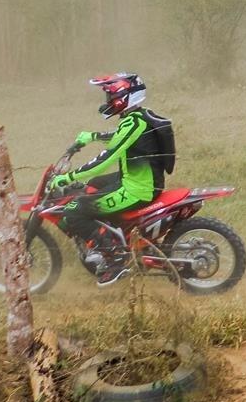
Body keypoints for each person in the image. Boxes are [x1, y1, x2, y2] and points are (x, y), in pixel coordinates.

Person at [48, 73, 175, 285]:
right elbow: (120, 137)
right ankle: (115, 233)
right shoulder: (138, 116)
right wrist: (92, 137)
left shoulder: (134, 123)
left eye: (111, 97)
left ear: (124, 97)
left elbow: (106, 158)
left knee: (73, 210)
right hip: (138, 178)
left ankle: (115, 258)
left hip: (138, 188)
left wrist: (68, 176)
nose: (108, 101)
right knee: (92, 185)